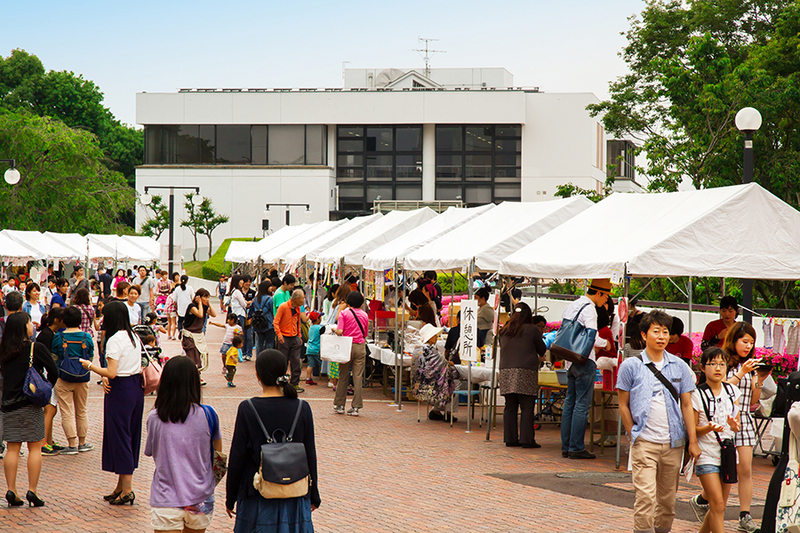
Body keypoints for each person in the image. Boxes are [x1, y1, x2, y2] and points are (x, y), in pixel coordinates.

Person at [617, 310, 701, 533]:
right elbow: (622, 404)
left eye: (665, 331)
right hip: (644, 441)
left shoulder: (680, 366)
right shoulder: (630, 366)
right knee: (645, 498)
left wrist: (692, 441)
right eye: (656, 331)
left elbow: (687, 405)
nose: (662, 336)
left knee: (667, 503)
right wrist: (633, 433)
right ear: (644, 335)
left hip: (674, 444)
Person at [225, 349, 319, 532]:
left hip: (257, 494)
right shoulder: (302, 408)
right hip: (295, 493)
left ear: (257, 375)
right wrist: (313, 494)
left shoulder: (247, 408)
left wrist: (231, 497)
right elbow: (310, 455)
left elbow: (237, 457)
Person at [691, 321, 767, 532]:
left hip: (741, 422)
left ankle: (745, 514)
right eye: (745, 341)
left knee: (745, 469)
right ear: (733, 340)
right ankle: (704, 497)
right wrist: (741, 372)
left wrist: (759, 379)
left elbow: (753, 398)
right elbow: (722, 389)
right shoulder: (723, 361)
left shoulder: (750, 364)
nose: (748, 346)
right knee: (718, 496)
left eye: (751, 342)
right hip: (719, 428)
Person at [145, 356, 221, 533]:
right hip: (201, 496)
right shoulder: (209, 414)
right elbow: (218, 455)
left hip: (166, 496)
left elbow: (151, 451)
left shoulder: (155, 417)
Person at [80, 301, 144, 506]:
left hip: (121, 390)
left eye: (104, 315)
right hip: (135, 388)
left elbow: (112, 372)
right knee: (129, 434)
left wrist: (90, 366)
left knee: (120, 436)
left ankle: (127, 489)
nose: (101, 319)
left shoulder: (114, 339)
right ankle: (120, 486)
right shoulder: (133, 335)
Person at [0, 312, 58, 507]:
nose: (32, 325)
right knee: (35, 447)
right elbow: (54, 371)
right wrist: (46, 388)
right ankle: (32, 490)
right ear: (24, 328)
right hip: (31, 404)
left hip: (9, 404)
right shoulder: (35, 347)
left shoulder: (4, 350)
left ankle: (11, 490)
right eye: (29, 323)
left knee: (12, 447)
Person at [559, 279, 613, 459]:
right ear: (598, 293)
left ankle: (566, 446)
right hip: (584, 360)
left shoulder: (573, 305)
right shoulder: (589, 308)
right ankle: (576, 447)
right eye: (605, 296)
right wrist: (605, 344)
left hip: (570, 360)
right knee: (582, 404)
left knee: (570, 403)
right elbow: (592, 336)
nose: (605, 301)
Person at [691, 346, 741, 533]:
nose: (718, 368)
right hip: (707, 454)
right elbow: (693, 429)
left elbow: (737, 425)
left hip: (728, 453)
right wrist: (708, 427)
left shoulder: (732, 391)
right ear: (703, 368)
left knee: (719, 506)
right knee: (717, 503)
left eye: (722, 364)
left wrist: (734, 425)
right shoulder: (696, 394)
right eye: (713, 364)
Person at [499, 302, 547, 448]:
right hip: (526, 370)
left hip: (506, 371)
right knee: (527, 406)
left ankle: (510, 439)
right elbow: (542, 349)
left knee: (510, 406)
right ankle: (527, 440)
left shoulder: (504, 329)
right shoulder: (532, 329)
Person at [51, 306, 94, 456]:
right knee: (81, 410)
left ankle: (72, 444)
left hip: (63, 377)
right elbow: (91, 356)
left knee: (67, 411)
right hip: (83, 377)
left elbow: (54, 357)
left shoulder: (59, 337)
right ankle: (83, 443)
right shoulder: (86, 337)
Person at [333, 291, 369, 416]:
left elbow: (340, 331)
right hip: (360, 346)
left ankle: (340, 405)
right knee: (357, 377)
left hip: (346, 346)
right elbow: (365, 333)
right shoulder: (364, 315)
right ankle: (356, 407)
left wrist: (335, 330)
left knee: (343, 375)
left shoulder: (344, 313)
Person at [274, 289, 308, 394]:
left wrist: (299, 336)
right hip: (284, 337)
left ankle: (294, 383)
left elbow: (298, 323)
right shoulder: (284, 307)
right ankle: (282, 383)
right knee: (283, 361)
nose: (304, 300)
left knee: (296, 362)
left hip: (294, 338)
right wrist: (279, 335)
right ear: (297, 299)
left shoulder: (298, 308)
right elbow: (276, 322)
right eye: (302, 298)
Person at [182, 288, 216, 385]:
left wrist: (208, 304)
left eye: (208, 297)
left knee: (199, 355)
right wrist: (200, 303)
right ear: (199, 297)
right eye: (205, 297)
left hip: (199, 335)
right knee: (193, 356)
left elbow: (214, 314)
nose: (207, 299)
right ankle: (193, 377)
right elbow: (200, 314)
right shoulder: (192, 306)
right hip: (189, 335)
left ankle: (196, 376)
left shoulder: (205, 307)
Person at [325, 284, 351, 391]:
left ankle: (333, 381)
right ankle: (336, 382)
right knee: (338, 358)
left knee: (334, 358)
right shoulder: (343, 304)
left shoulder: (335, 302)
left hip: (333, 330)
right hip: (339, 332)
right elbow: (337, 317)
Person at [249, 280, 274, 355]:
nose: (271, 288)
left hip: (258, 323)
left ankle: (259, 357)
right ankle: (268, 357)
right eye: (270, 286)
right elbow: (273, 311)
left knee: (259, 342)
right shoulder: (270, 299)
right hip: (268, 323)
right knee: (269, 342)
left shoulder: (256, 298)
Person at [304, 311, 323, 386]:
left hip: (309, 349)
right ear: (318, 319)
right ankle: (330, 379)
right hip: (316, 350)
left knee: (310, 365)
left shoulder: (310, 327)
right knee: (322, 364)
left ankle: (308, 378)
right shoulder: (320, 328)